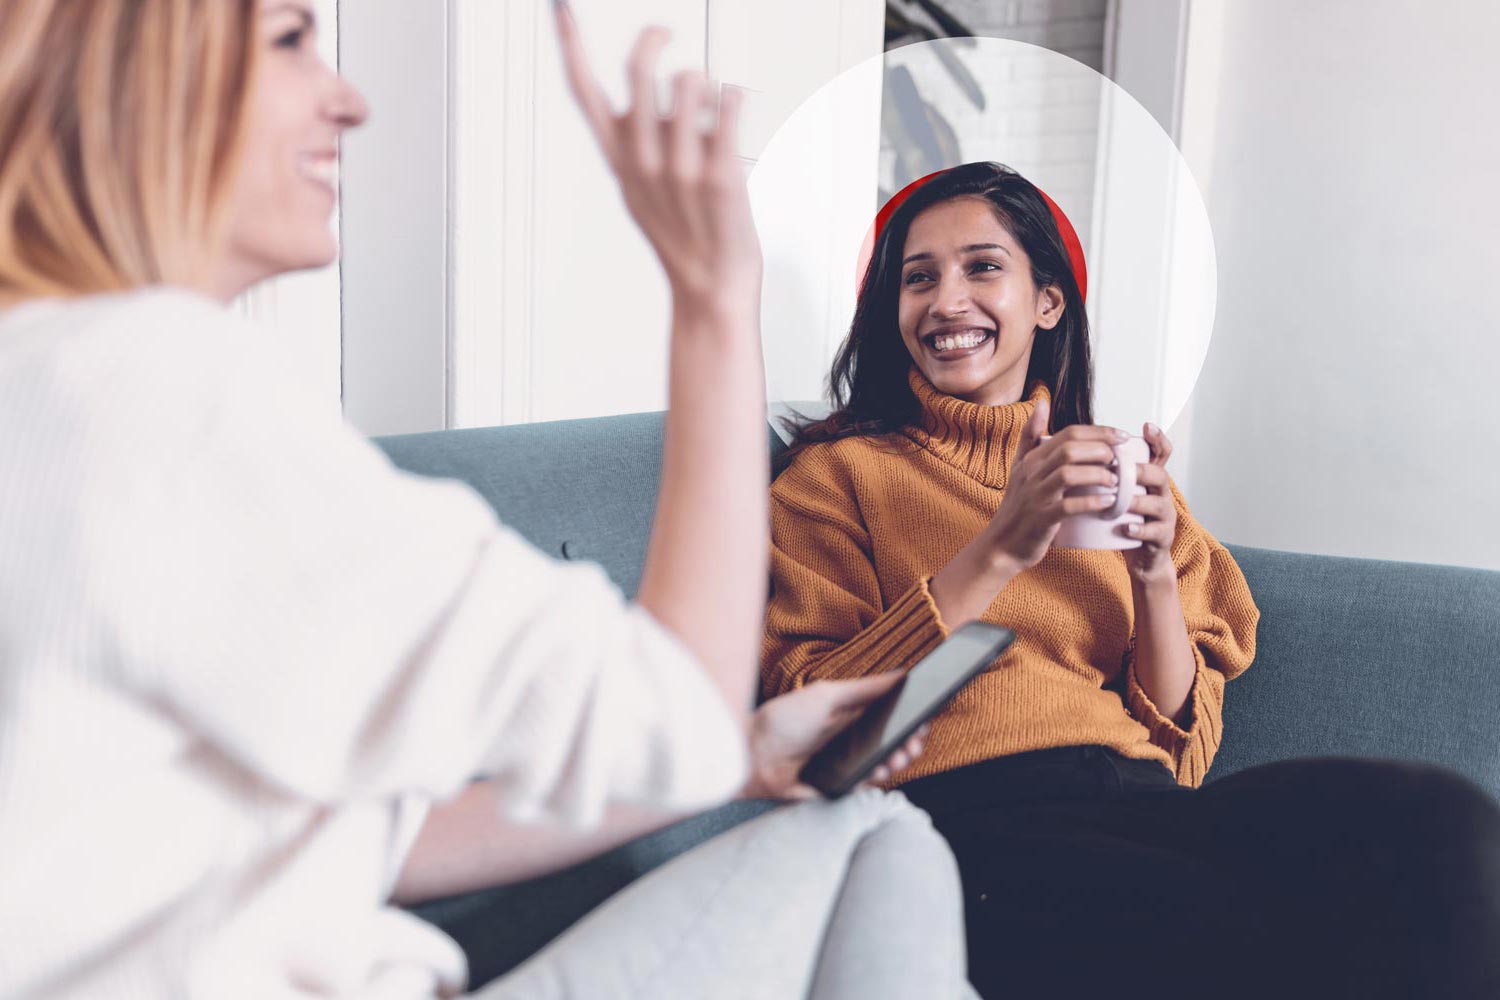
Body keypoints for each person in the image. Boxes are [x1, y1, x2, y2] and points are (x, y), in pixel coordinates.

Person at [0, 1, 974, 997]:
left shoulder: (39, 381)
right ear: (138, 78)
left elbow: (358, 844)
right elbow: (673, 712)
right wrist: (715, 294)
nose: (349, 101)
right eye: (290, 40)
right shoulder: (162, 390)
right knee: (874, 836)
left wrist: (741, 756)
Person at [762, 160, 1500, 999]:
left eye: (982, 267)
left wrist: (1152, 577)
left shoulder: (1118, 476)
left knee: (1438, 826)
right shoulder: (837, 477)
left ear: (1048, 302)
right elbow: (812, 720)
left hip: (1138, 802)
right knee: (1254, 938)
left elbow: (1185, 755)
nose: (947, 301)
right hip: (959, 824)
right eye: (918, 278)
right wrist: (1000, 546)